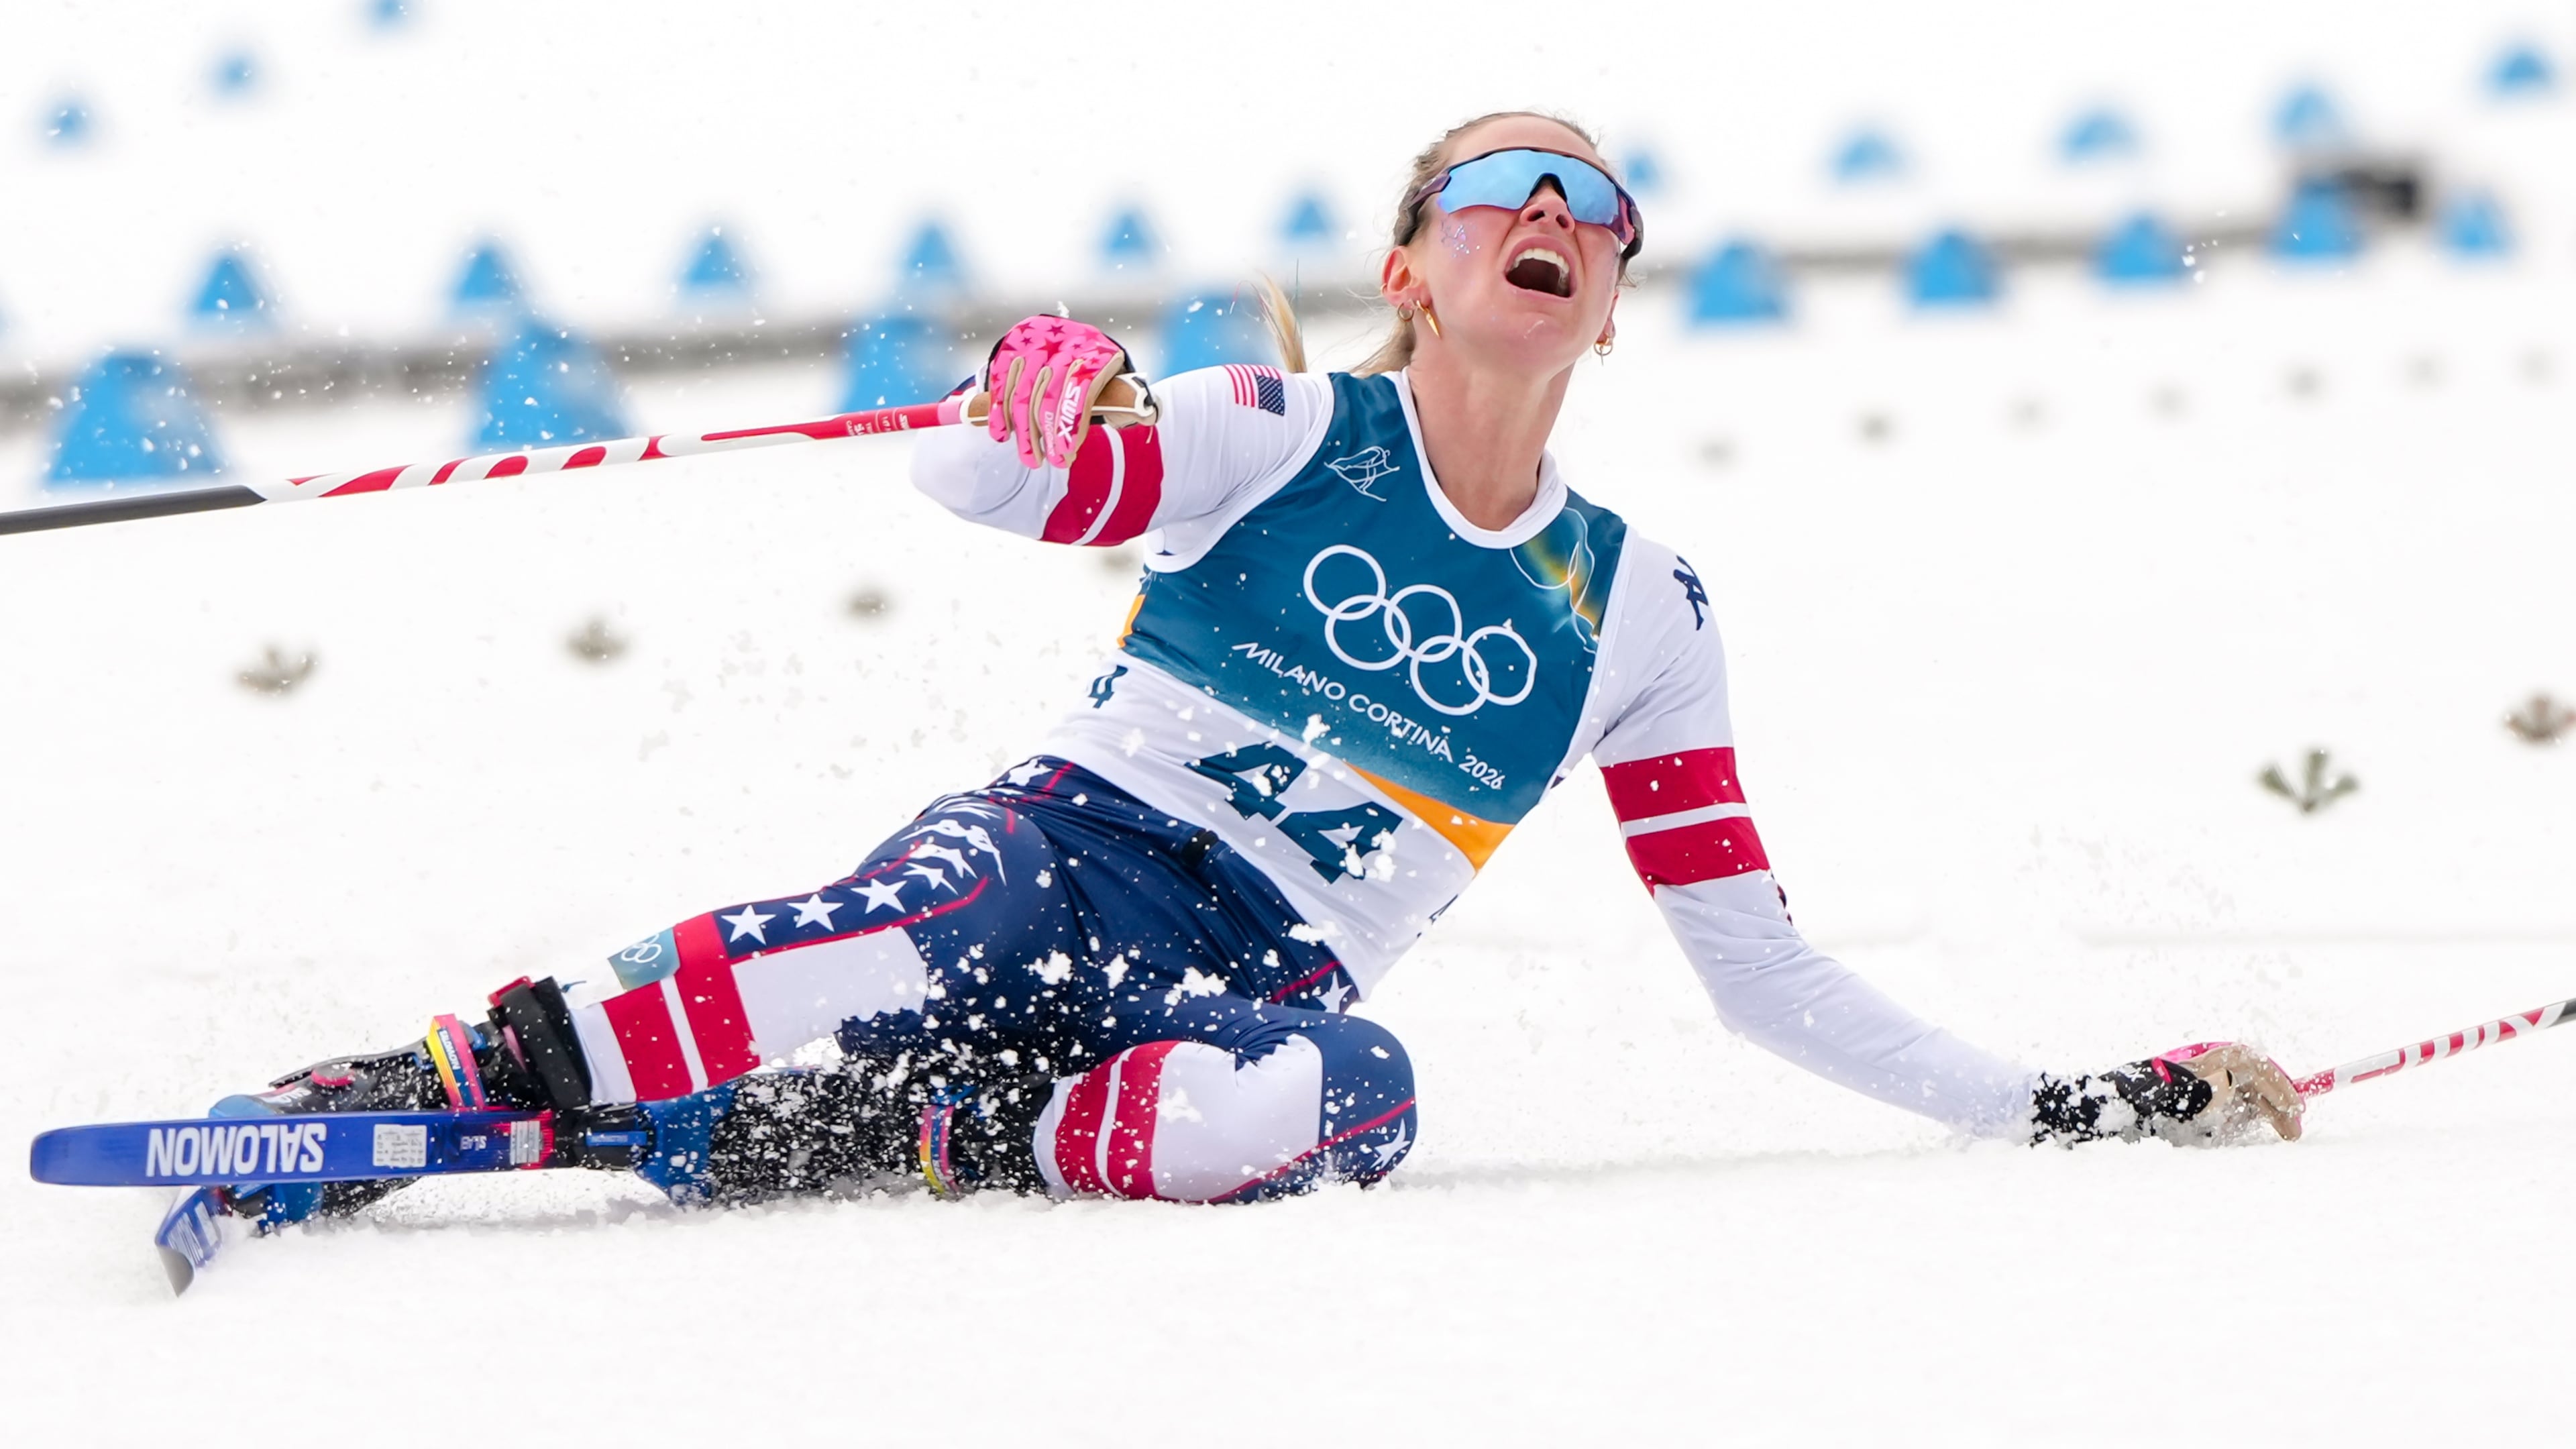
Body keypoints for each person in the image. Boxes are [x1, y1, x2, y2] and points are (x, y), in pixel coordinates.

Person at [209, 110, 2303, 1232]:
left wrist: (2068, 1103)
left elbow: (1760, 977)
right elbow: (990, 496)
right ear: (1416, 269)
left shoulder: (1639, 615)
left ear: (1607, 301)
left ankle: (923, 1140)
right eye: (1507, 189)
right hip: (1063, 859)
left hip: (1255, 984)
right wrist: (1013, 398)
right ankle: (457, 1080)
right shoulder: (1283, 432)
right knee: (920, 925)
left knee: (1356, 1105)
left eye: (1598, 205)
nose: (1555, 214)